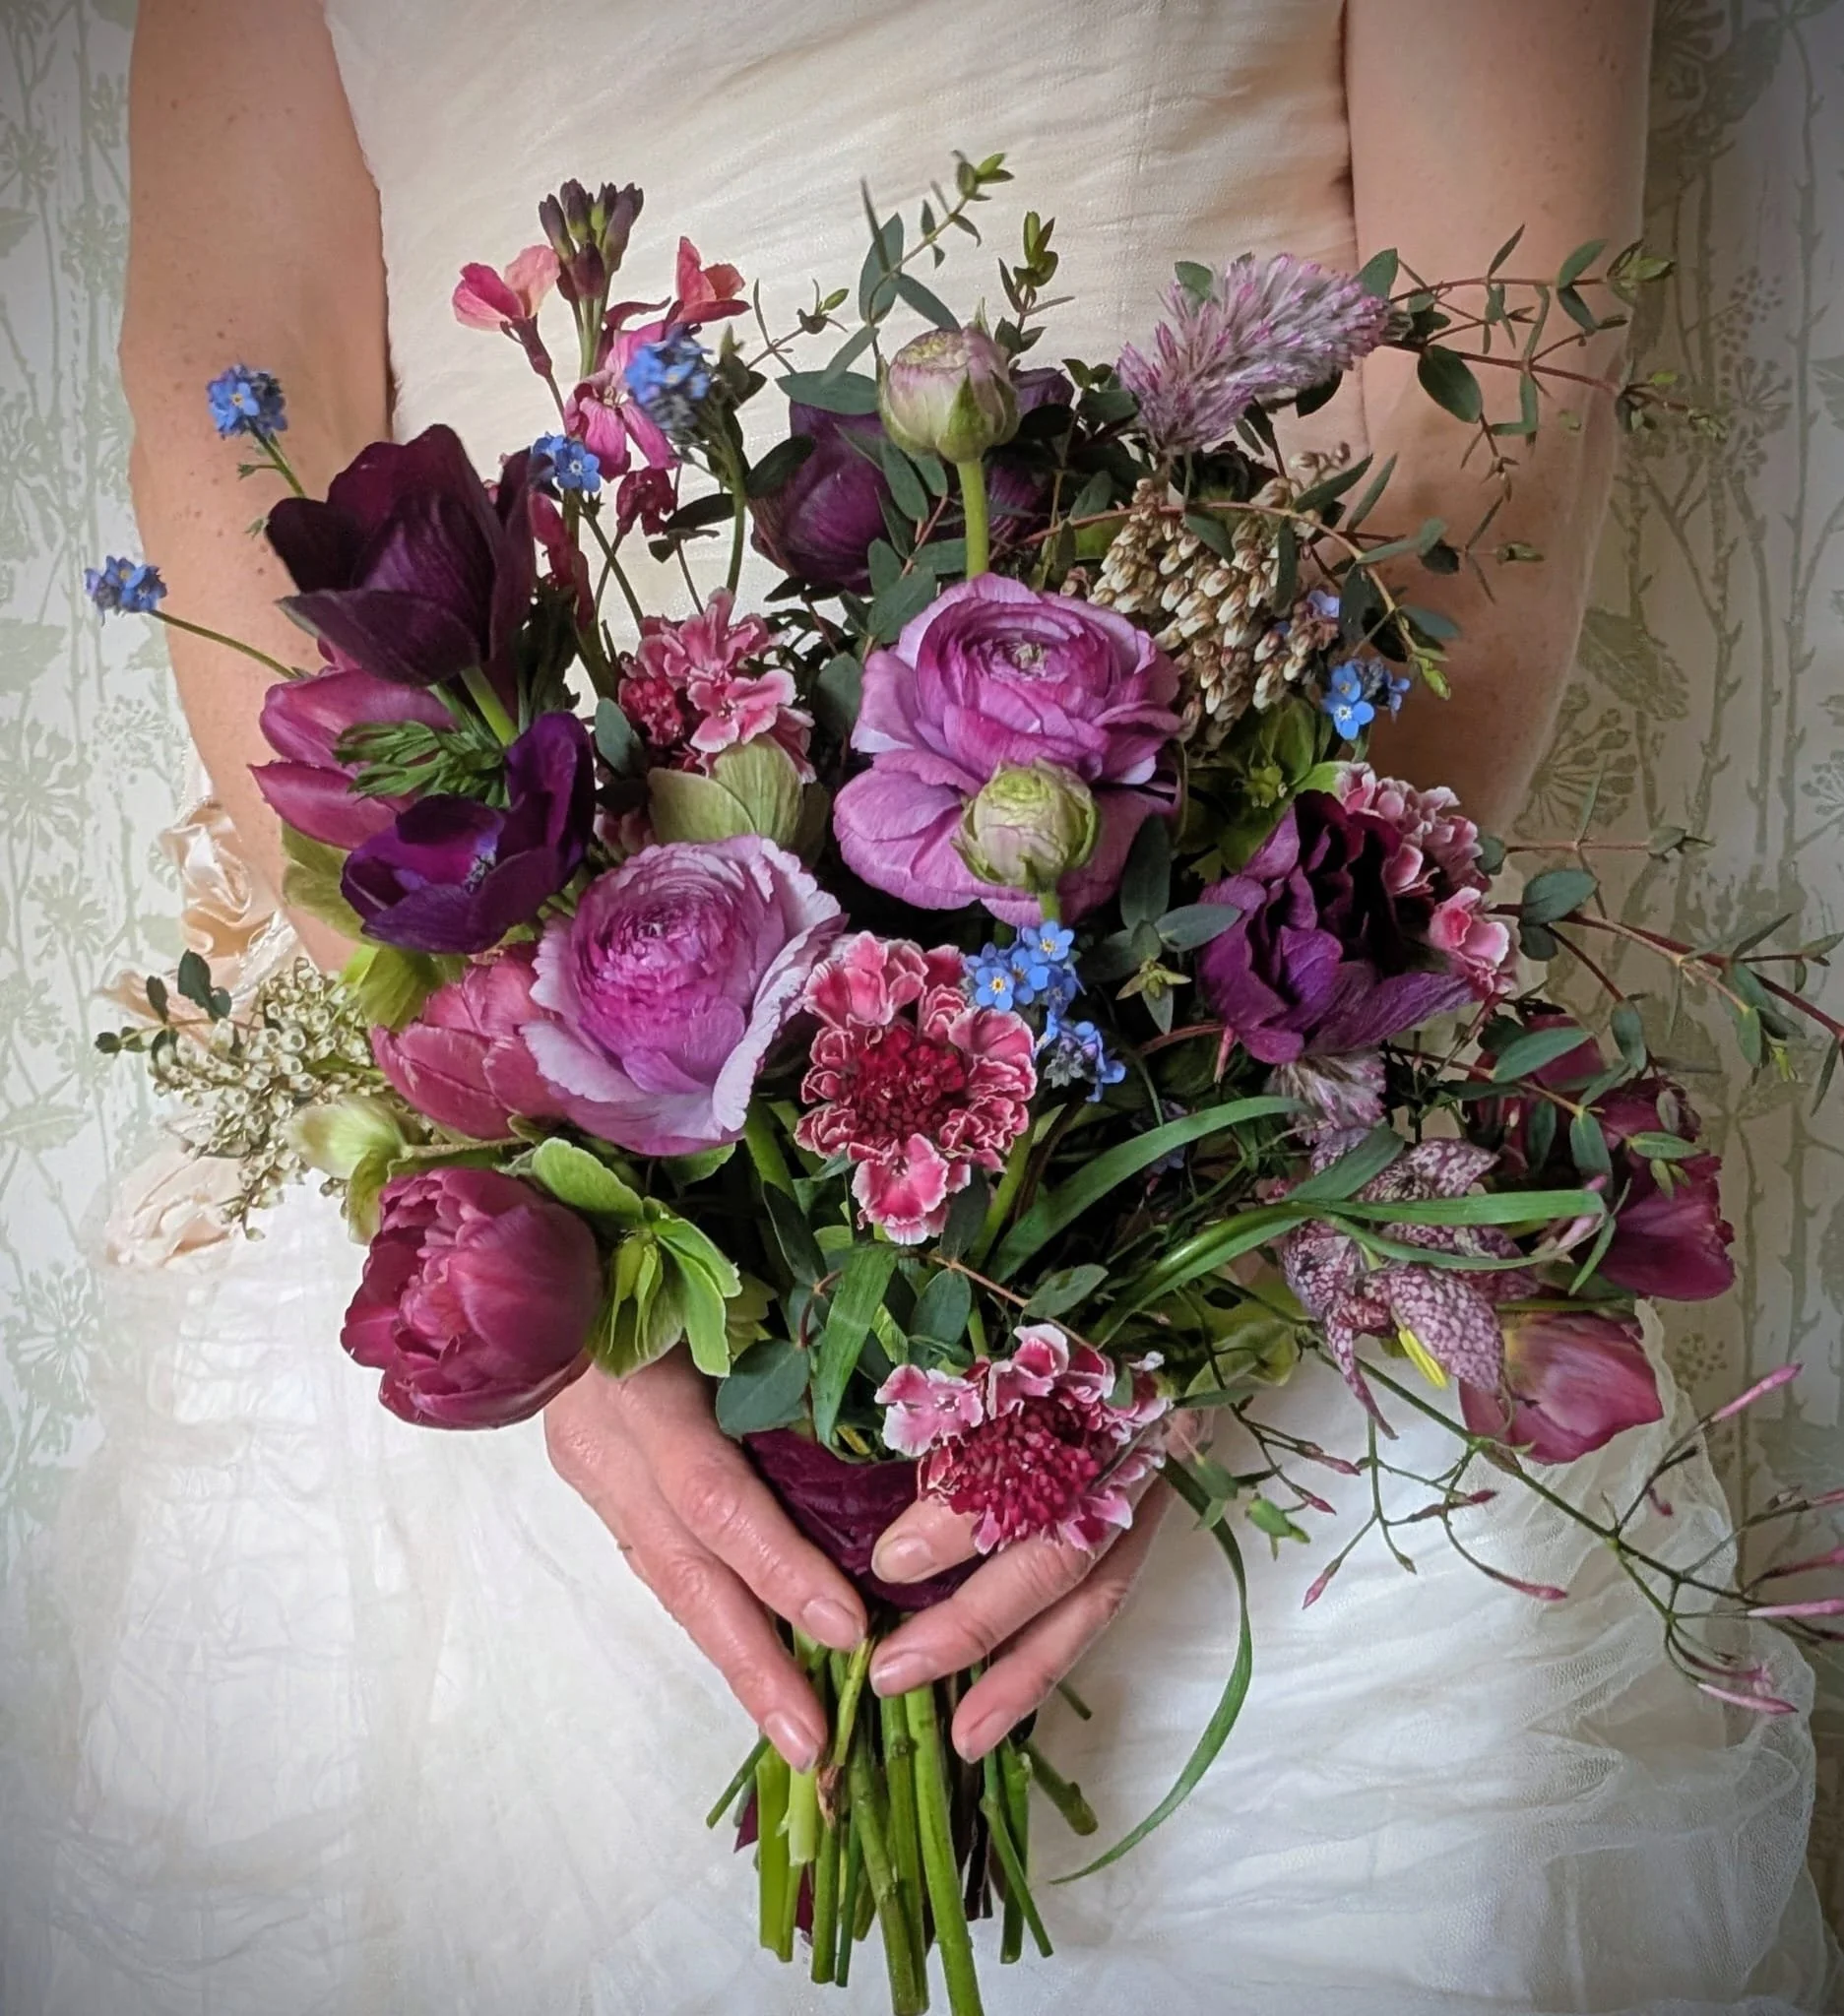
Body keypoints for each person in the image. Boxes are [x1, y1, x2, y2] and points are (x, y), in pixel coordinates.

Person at [1, 3, 1831, 2011]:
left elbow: (1508, 408)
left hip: (1215, 1042)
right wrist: (530, 1236)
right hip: (523, 1036)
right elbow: (229, 402)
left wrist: (1218, 1127)